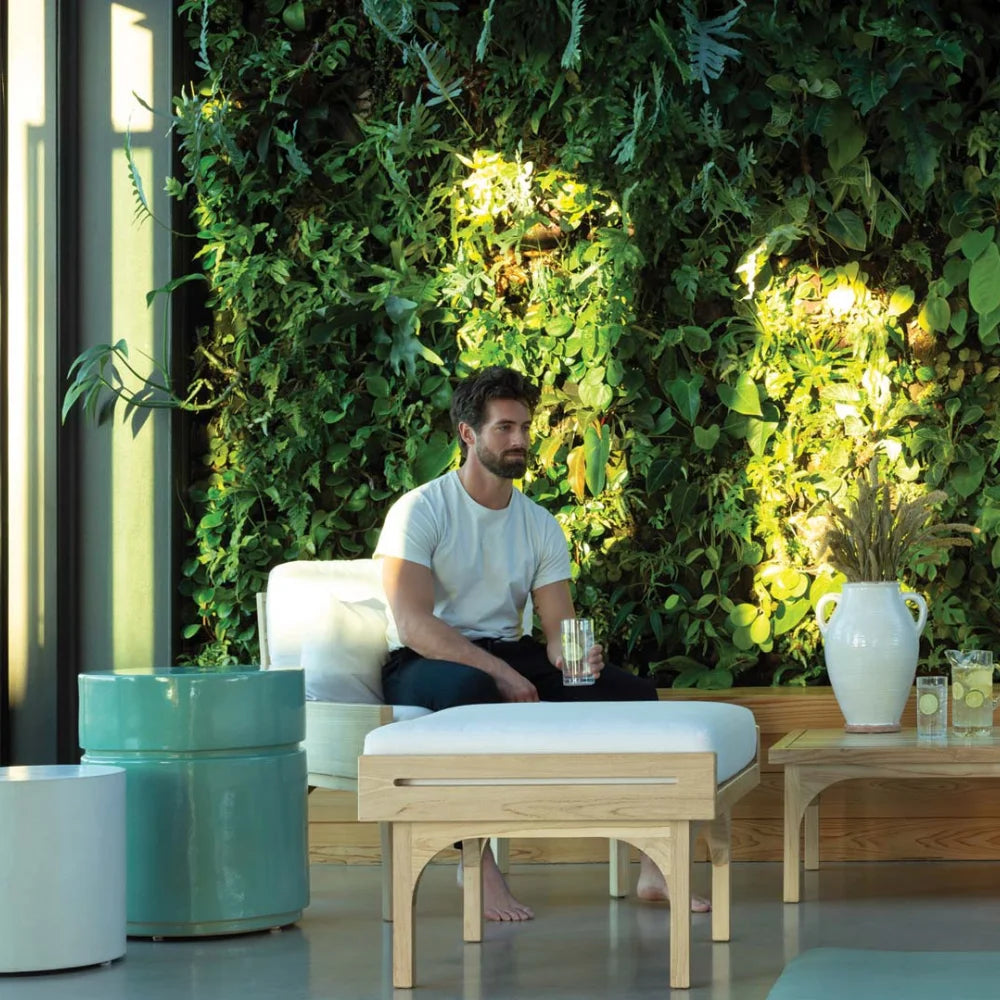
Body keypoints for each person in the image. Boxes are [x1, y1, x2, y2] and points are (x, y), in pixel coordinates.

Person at [374, 365, 705, 920]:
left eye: (525, 427)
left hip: (510, 649)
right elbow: (413, 623)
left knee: (634, 695)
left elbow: (558, 632)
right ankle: (476, 868)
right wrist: (501, 674)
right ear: (468, 435)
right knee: (471, 688)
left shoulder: (539, 524)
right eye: (504, 428)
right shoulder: (421, 510)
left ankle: (653, 865)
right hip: (426, 659)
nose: (520, 440)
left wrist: (575, 658)